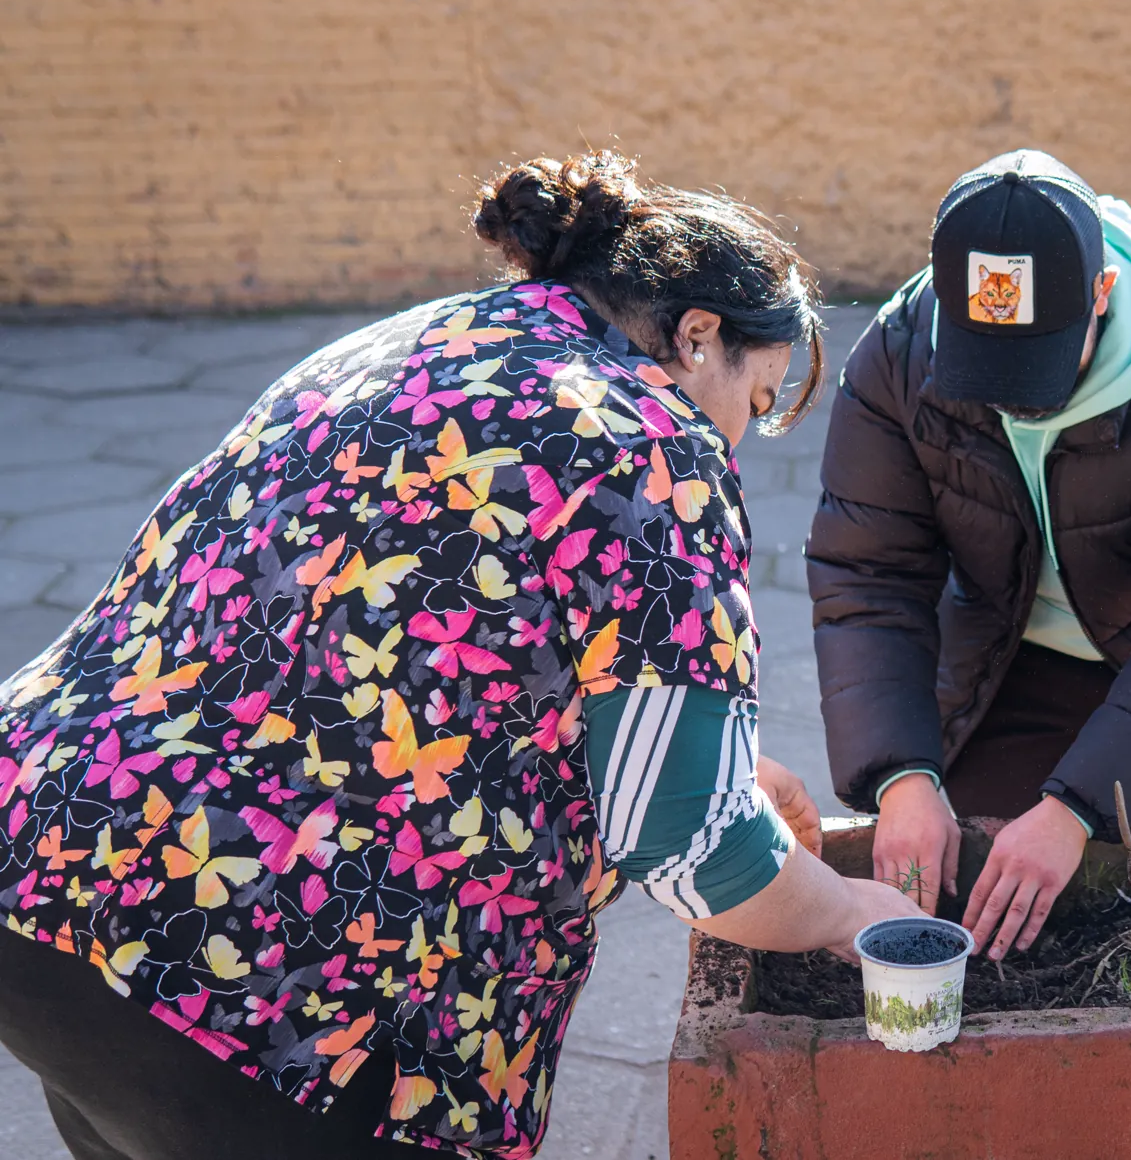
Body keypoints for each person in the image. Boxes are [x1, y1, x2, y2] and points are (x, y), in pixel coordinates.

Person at [0, 150, 919, 1160]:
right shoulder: (654, 442)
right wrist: (846, 910)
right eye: (764, 396)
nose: (746, 437)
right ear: (700, 339)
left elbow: (425, 635)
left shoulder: (431, 337)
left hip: (49, 850)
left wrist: (733, 769)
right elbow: (693, 850)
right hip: (254, 973)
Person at [807, 149, 1131, 961]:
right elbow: (869, 576)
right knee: (965, 880)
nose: (1015, 394)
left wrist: (1077, 810)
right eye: (987, 364)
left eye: (1039, 356)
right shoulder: (898, 357)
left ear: (1102, 293)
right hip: (1004, 660)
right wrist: (902, 777)